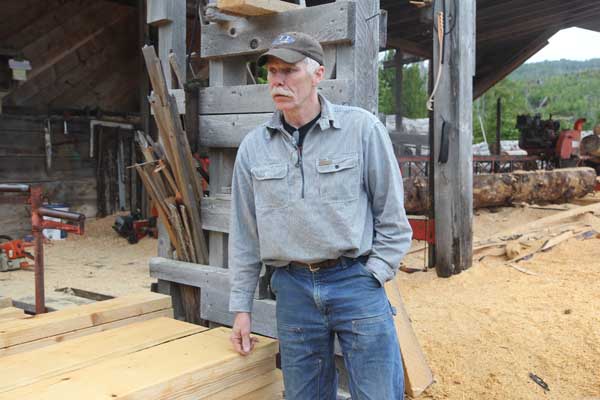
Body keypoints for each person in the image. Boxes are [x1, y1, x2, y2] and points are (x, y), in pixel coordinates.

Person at [228, 31, 412, 400]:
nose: (278, 81)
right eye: (272, 72)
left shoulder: (361, 130)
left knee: (378, 394)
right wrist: (240, 307)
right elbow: (245, 234)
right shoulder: (253, 148)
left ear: (317, 75)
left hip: (355, 282)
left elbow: (392, 217)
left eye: (289, 71)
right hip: (293, 290)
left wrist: (373, 274)